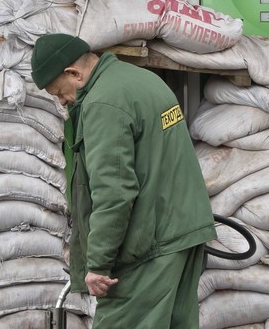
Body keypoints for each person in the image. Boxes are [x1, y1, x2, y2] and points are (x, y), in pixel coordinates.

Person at [30, 33, 216, 328]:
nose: (63, 101)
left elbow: (113, 191)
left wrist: (99, 263)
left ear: (73, 73)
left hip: (150, 245)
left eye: (59, 92)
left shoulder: (104, 103)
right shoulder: (142, 80)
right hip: (181, 232)